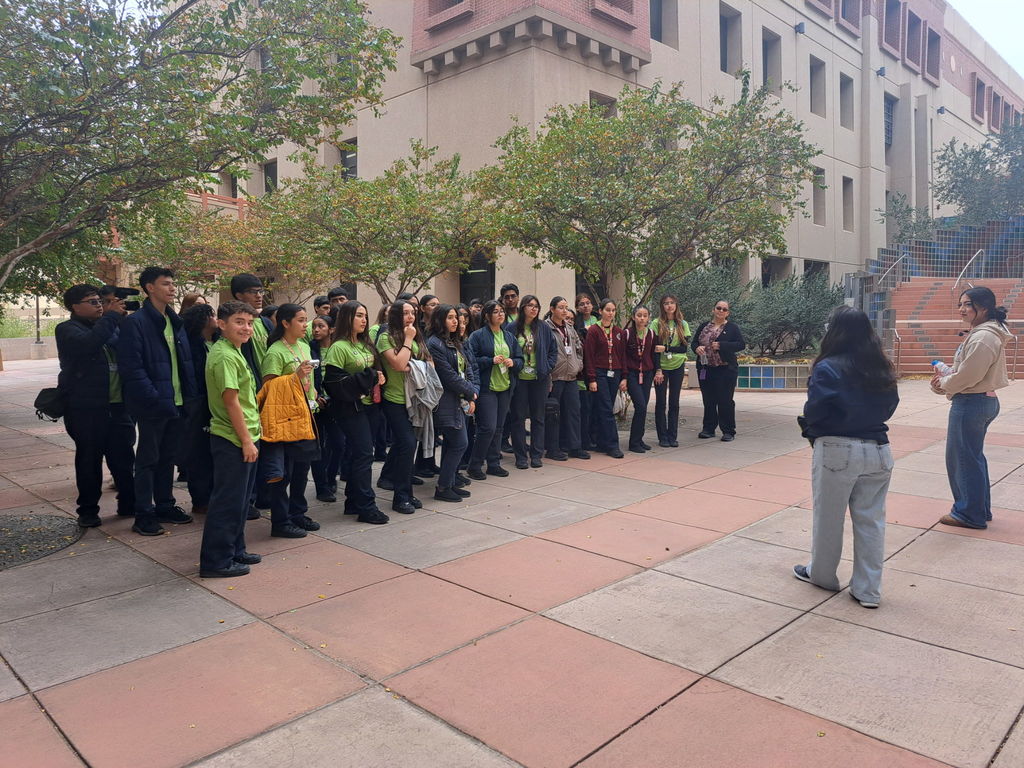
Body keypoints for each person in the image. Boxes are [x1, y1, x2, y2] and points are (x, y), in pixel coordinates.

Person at [793, 306, 899, 609]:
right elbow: (890, 405)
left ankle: (823, 575)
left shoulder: (828, 366)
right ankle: (868, 590)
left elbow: (815, 410)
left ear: (834, 331)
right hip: (879, 449)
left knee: (828, 517)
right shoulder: (881, 366)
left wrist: (813, 431)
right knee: (871, 522)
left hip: (837, 447)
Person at [118, 266, 196, 536]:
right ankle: (143, 513)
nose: (172, 288)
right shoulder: (136, 322)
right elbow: (132, 368)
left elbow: (185, 363)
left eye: (173, 283)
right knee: (148, 460)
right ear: (150, 288)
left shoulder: (174, 321)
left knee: (168, 458)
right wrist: (152, 398)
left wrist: (188, 397)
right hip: (153, 405)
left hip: (177, 402)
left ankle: (165, 505)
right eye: (166, 284)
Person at [931, 287, 1012, 530]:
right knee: (971, 458)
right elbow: (966, 373)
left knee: (962, 459)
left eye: (968, 304)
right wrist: (946, 383)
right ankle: (978, 509)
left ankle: (968, 513)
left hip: (972, 402)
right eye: (961, 304)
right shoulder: (982, 333)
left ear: (984, 307)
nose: (962, 309)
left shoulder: (983, 337)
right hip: (977, 400)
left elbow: (968, 375)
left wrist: (945, 384)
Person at [56, 284, 136, 527]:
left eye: (100, 301)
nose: (99, 305)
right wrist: (111, 316)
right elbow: (89, 343)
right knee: (89, 460)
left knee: (123, 458)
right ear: (74, 306)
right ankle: (88, 511)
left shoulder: (110, 326)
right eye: (92, 302)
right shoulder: (67, 329)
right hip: (86, 408)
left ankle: (129, 503)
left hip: (118, 405)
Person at [199, 301, 264, 578]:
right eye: (239, 321)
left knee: (240, 501)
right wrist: (246, 440)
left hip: (245, 435)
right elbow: (231, 402)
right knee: (228, 501)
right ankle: (216, 561)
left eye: (249, 323)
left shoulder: (234, 352)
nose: (246, 328)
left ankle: (235, 550)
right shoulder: (224, 355)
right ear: (221, 324)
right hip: (233, 438)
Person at [323, 301, 389, 524]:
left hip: (370, 406)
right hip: (349, 409)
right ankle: (366, 506)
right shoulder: (338, 347)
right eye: (359, 315)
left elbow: (372, 370)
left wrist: (377, 376)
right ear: (347, 318)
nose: (363, 320)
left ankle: (353, 501)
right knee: (363, 455)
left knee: (358, 454)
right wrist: (370, 377)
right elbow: (333, 384)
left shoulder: (364, 343)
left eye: (365, 315)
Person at [258, 304, 320, 538]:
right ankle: (280, 521)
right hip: (284, 419)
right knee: (284, 473)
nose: (306, 325)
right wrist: (295, 377)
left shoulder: (304, 346)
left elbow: (309, 381)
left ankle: (297, 513)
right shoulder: (275, 352)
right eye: (301, 320)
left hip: (305, 414)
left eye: (306, 320)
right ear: (285, 323)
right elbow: (268, 388)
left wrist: (313, 394)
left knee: (302, 469)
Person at [376, 300, 429, 514]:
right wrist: (408, 340)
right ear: (396, 315)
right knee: (407, 444)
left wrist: (414, 364)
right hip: (394, 399)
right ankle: (400, 497)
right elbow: (397, 364)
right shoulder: (385, 337)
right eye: (406, 313)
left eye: (413, 312)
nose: (410, 317)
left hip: (415, 399)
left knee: (406, 445)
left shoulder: (417, 333)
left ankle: (406, 491)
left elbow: (426, 359)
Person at [427, 305, 479, 502]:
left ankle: (448, 484)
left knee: (453, 443)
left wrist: (471, 391)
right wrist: (470, 391)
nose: (455, 321)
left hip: (460, 398)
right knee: (460, 443)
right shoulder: (435, 344)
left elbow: (467, 368)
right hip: (446, 400)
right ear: (440, 320)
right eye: (450, 317)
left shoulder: (454, 341)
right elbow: (448, 376)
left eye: (456, 317)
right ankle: (442, 487)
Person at [466, 300, 522, 479]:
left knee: (498, 428)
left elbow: (520, 359)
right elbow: (471, 361)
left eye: (502, 311)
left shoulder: (509, 336)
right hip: (486, 388)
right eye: (496, 311)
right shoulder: (477, 336)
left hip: (505, 387)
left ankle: (493, 464)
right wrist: (490, 360)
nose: (500, 314)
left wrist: (514, 362)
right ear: (487, 316)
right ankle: (475, 465)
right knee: (487, 427)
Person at [510, 294, 558, 469]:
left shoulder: (543, 327)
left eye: (536, 306)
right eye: (530, 305)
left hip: (539, 379)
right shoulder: (512, 327)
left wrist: (547, 366)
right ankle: (520, 456)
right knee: (518, 418)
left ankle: (536, 454)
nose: (534, 308)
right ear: (523, 307)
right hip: (520, 379)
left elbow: (554, 350)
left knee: (538, 418)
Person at [180, 302, 217, 514]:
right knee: (199, 452)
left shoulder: (220, 342)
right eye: (212, 315)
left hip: (216, 403)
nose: (216, 319)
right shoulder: (193, 345)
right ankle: (200, 498)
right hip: (199, 403)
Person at [693, 300, 745, 442]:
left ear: (727, 313)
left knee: (725, 400)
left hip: (725, 369)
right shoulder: (704, 326)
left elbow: (741, 344)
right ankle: (708, 429)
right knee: (708, 400)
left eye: (724, 309)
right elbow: (694, 342)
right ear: (713, 310)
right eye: (718, 308)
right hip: (705, 368)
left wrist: (722, 345)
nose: (721, 311)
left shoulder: (732, 328)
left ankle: (728, 431)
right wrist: (696, 348)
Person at [583, 298, 626, 459]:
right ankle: (612, 445)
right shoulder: (593, 331)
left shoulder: (618, 332)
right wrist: (592, 378)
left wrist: (624, 377)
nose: (611, 313)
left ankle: (600, 442)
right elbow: (589, 356)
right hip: (600, 373)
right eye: (608, 310)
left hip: (614, 373)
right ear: (600, 311)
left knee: (602, 408)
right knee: (607, 408)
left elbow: (622, 356)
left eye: (613, 310)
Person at [309, 314, 345, 503]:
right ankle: (321, 487)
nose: (316, 330)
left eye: (321, 326)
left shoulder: (337, 348)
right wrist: (317, 396)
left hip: (336, 403)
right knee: (318, 447)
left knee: (338, 444)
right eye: (314, 326)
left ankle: (331, 477)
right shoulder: (309, 348)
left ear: (331, 329)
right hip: (315, 405)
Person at [546, 296, 586, 460]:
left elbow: (578, 348)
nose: (564, 311)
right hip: (555, 377)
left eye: (566, 307)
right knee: (554, 414)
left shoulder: (570, 328)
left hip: (571, 376)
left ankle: (574, 447)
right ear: (552, 309)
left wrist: (579, 365)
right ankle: (553, 448)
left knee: (573, 412)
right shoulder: (545, 328)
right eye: (561, 307)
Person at [651, 294, 690, 448]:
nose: (669, 306)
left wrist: (667, 348)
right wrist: (658, 369)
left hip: (677, 365)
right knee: (661, 402)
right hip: (662, 367)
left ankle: (672, 436)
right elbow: (654, 349)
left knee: (674, 402)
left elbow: (684, 348)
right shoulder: (656, 323)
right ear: (662, 306)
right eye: (666, 303)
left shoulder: (682, 323)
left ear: (676, 305)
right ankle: (662, 437)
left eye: (672, 303)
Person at [624, 305, 656, 453]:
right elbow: (622, 357)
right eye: (639, 315)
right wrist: (623, 377)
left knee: (642, 409)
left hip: (648, 374)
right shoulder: (627, 334)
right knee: (641, 406)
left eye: (645, 315)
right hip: (632, 374)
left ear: (648, 317)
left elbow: (654, 355)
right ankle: (634, 443)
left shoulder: (651, 333)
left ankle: (639, 439)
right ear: (633, 317)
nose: (642, 318)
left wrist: (658, 370)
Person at [575, 292, 599, 450]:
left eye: (588, 302)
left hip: (599, 364)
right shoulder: (575, 322)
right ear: (577, 307)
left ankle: (595, 437)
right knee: (585, 407)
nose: (586, 306)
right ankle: (584, 439)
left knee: (596, 406)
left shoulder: (598, 318)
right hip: (582, 365)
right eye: (582, 303)